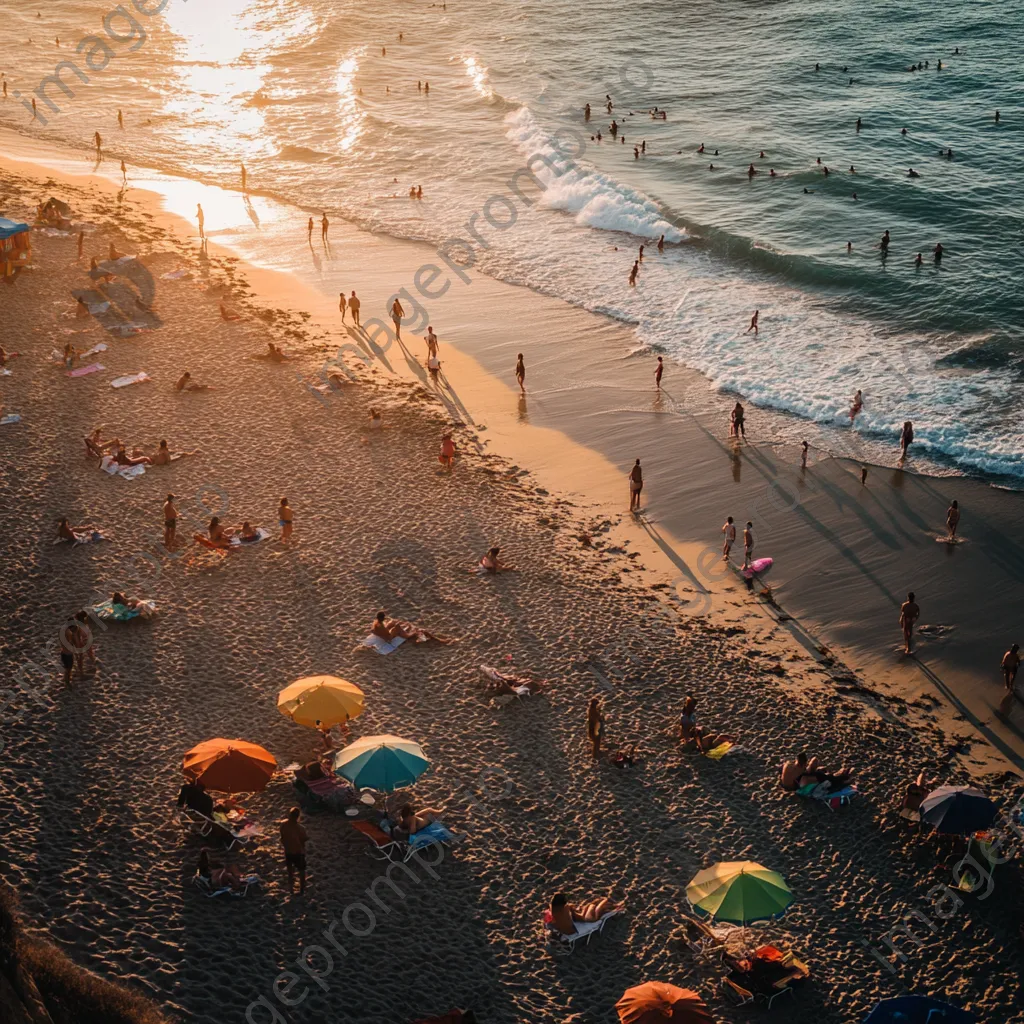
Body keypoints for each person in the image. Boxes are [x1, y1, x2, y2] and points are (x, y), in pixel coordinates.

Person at [548, 892, 619, 934]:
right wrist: (576, 911)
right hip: (573, 930)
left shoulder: (550, 910)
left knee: (592, 907)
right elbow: (579, 918)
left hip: (562, 930)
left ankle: (605, 903)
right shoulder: (566, 908)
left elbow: (549, 923)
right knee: (594, 908)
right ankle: (606, 901)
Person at [780, 751, 853, 792]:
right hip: (794, 786)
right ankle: (841, 778)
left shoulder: (788, 764)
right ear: (803, 764)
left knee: (816, 765)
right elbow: (805, 774)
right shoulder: (799, 771)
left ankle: (836, 776)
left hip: (786, 784)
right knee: (820, 776)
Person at [280, 807, 308, 894]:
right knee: (302, 870)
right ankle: (301, 890)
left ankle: (291, 889)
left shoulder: (283, 825)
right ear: (298, 817)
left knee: (290, 871)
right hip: (298, 851)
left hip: (288, 850)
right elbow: (303, 839)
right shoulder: (300, 828)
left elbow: (282, 837)